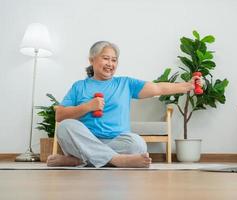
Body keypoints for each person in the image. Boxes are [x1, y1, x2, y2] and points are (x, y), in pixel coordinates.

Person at [47, 41, 200, 168]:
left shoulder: (125, 84)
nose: (110, 64)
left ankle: (80, 160)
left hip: (116, 141)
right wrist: (87, 106)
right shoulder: (79, 86)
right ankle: (116, 160)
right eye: (106, 58)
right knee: (66, 126)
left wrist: (188, 86)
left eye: (114, 60)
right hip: (84, 140)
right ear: (92, 60)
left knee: (137, 144)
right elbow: (60, 115)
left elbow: (157, 88)